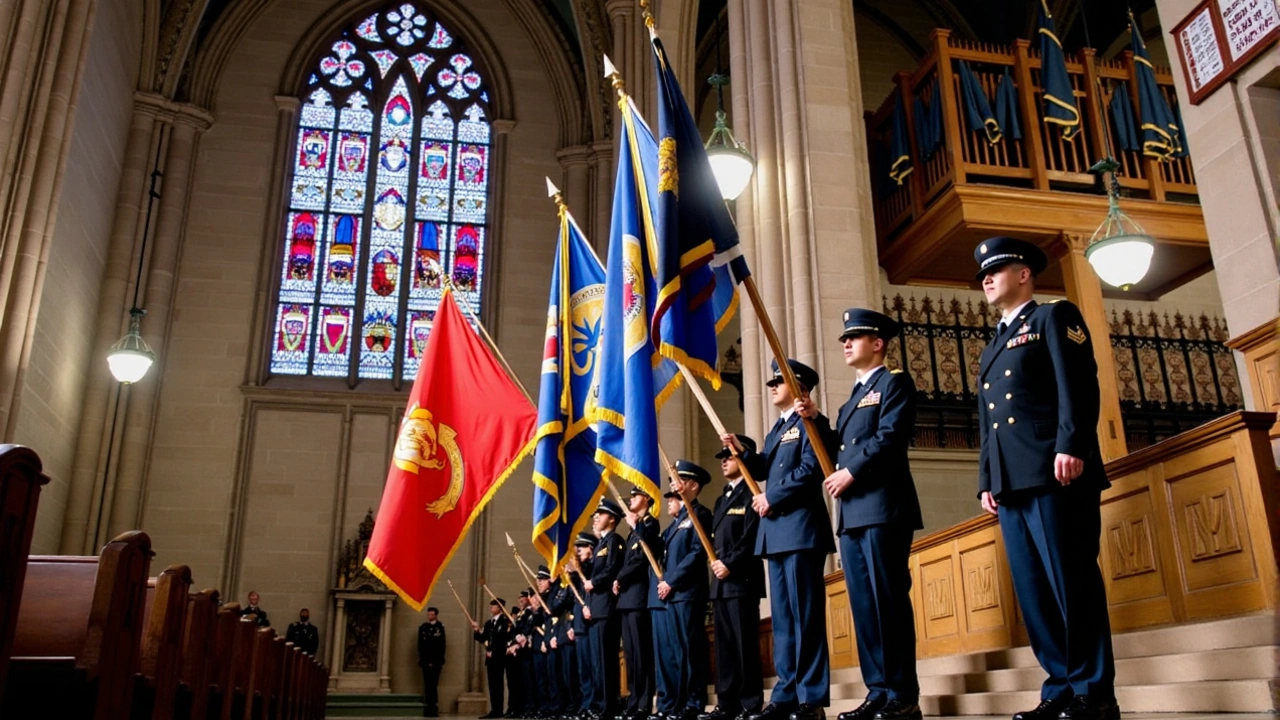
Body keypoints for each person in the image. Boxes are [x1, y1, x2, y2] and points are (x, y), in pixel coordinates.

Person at [973, 237, 1117, 720]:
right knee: (1035, 591)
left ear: (1024, 274)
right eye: (982, 275)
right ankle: (1059, 687)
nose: (987, 279)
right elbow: (987, 421)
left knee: (1070, 582)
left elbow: (1077, 383)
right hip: (1012, 482)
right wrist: (987, 479)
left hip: (1055, 471)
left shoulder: (1054, 317)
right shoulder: (994, 344)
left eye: (997, 270)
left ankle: (1092, 694)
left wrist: (1071, 444)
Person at [799, 309, 923, 720]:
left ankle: (902, 695)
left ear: (878, 343)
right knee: (865, 607)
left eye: (855, 337)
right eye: (844, 339)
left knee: (888, 601)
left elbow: (890, 437)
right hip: (852, 513)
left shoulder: (895, 382)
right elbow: (839, 446)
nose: (846, 344)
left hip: (883, 507)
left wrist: (849, 471)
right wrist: (817, 421)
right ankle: (878, 690)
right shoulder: (853, 397)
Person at [727, 359, 834, 720]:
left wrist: (773, 497)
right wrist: (742, 455)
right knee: (784, 620)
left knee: (806, 618)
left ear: (799, 386)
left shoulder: (809, 422)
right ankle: (786, 694)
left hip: (801, 528)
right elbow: (766, 467)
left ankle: (811, 698)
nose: (771, 386)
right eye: (771, 381)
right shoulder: (777, 430)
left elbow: (812, 468)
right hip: (776, 534)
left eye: (778, 382)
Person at [702, 437, 765, 720]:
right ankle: (726, 703)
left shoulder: (751, 493)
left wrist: (729, 564)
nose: (723, 460)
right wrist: (716, 563)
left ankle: (749, 702)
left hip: (741, 580)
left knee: (743, 645)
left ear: (743, 457)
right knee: (725, 649)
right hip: (721, 584)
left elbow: (751, 537)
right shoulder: (722, 498)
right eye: (722, 457)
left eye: (728, 455)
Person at [656, 461, 714, 720]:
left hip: (688, 591)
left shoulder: (699, 514)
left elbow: (696, 553)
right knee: (677, 652)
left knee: (690, 650)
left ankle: (694, 702)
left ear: (692, 485)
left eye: (678, 480)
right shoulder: (677, 521)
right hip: (674, 595)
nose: (672, 484)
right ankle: (678, 703)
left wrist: (672, 581)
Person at [617, 486, 661, 720]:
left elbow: (643, 557)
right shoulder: (633, 531)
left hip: (639, 596)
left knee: (642, 654)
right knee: (632, 655)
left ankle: (644, 703)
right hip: (626, 600)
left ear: (646, 499)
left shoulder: (649, 524)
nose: (630, 500)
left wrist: (620, 577)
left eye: (634, 496)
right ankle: (634, 701)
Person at [585, 498, 626, 720]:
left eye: (600, 514)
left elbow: (613, 569)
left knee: (607, 659)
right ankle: (601, 704)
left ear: (612, 518)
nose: (596, 517)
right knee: (598, 661)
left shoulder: (614, 541)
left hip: (608, 606)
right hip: (597, 607)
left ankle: (609, 706)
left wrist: (595, 582)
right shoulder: (600, 545)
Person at [474, 597, 513, 719]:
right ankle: (494, 709)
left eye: (493, 605)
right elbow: (483, 638)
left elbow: (502, 640)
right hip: (490, 658)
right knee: (492, 684)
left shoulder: (505, 621)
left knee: (498, 684)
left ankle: (499, 709)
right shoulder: (489, 623)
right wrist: (477, 631)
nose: (490, 607)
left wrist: (492, 649)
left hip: (499, 657)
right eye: (490, 605)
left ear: (499, 608)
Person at [571, 532, 596, 720]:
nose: (578, 551)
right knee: (583, 670)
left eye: (582, 547)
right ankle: (586, 705)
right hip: (580, 624)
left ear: (591, 549)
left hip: (591, 621)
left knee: (593, 666)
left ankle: (593, 704)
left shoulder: (592, 568)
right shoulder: (582, 571)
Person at [418, 607, 447, 717]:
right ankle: (428, 706)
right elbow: (420, 645)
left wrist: (436, 661)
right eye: (428, 614)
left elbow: (441, 646)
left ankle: (433, 706)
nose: (429, 616)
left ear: (436, 615)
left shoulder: (440, 628)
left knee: (433, 684)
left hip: (436, 662)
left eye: (432, 614)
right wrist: (423, 659)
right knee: (427, 684)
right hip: (425, 661)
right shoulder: (423, 628)